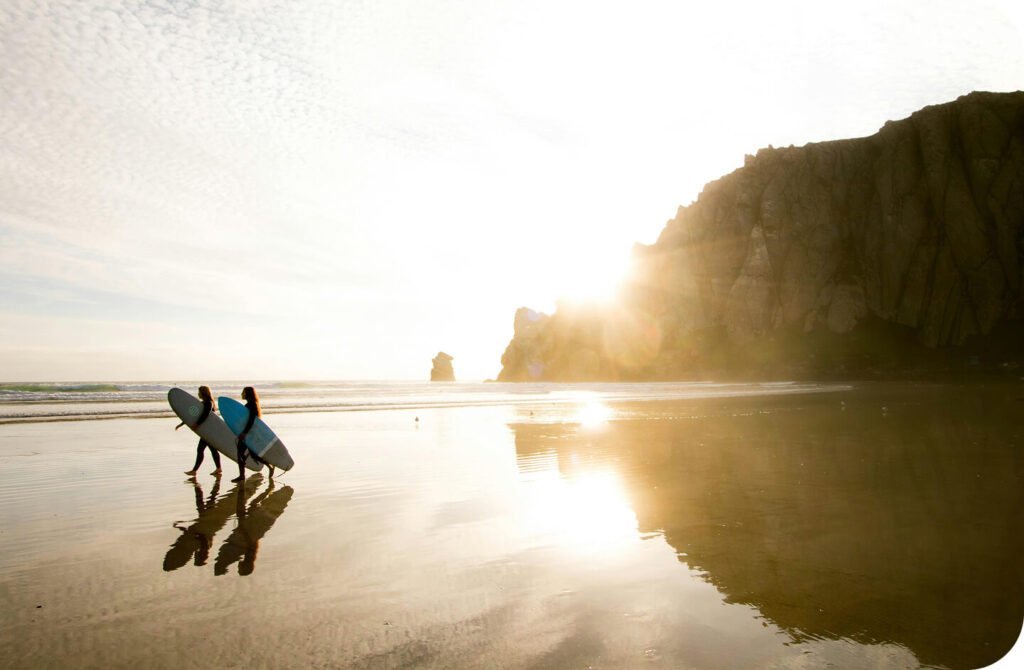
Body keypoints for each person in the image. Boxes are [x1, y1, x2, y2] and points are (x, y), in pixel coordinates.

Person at [176, 385, 222, 476]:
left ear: (203, 393)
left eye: (199, 392)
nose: (198, 394)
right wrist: (182, 424)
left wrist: (197, 424)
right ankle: (218, 468)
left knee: (201, 449)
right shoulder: (203, 403)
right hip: (206, 430)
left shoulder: (209, 403)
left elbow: (205, 415)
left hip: (208, 431)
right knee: (212, 449)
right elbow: (192, 416)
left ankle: (195, 471)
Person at [232, 386, 274, 482]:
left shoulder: (251, 405)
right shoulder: (251, 404)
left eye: (243, 392)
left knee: (242, 453)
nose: (242, 394)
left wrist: (244, 433)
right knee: (251, 454)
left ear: (248, 394)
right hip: (249, 432)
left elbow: (251, 421)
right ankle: (269, 465)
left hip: (248, 433)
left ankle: (242, 475)